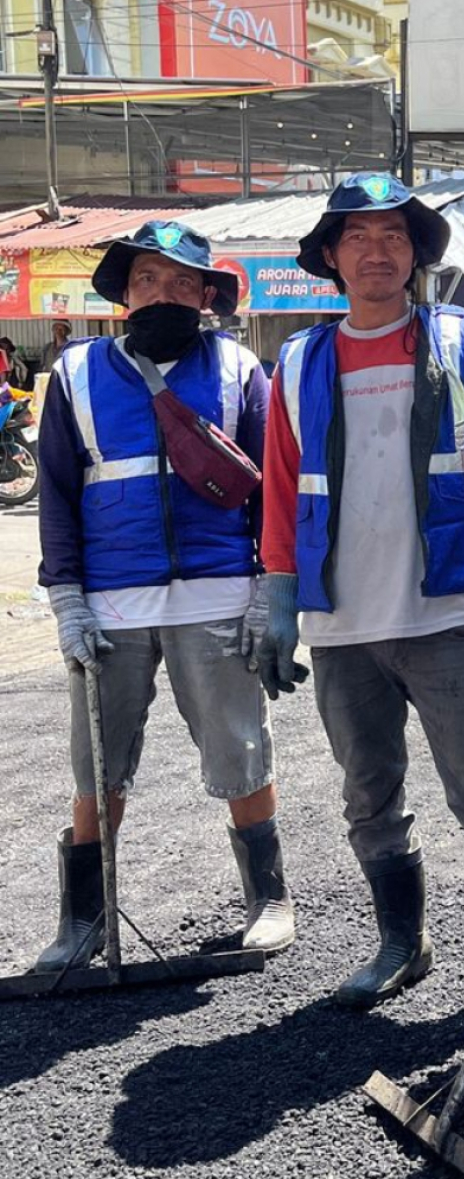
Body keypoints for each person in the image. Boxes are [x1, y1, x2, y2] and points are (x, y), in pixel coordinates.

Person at [258, 173, 464, 1016]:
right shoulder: (301, 362)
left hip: (447, 611)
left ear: (416, 254)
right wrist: (278, 597)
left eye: (393, 235)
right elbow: (282, 487)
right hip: (343, 621)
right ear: (331, 258)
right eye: (357, 237)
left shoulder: (463, 347)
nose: (376, 250)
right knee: (368, 791)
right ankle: (400, 942)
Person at [33, 221, 293, 972]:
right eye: (149, 279)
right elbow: (55, 491)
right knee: (97, 768)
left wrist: (266, 592)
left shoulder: (241, 368)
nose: (166, 294)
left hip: (217, 598)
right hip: (110, 608)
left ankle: (269, 898)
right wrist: (66, 600)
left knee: (242, 751)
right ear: (124, 292)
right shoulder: (77, 375)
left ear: (208, 296)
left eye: (184, 282)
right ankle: (82, 920)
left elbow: (271, 492)